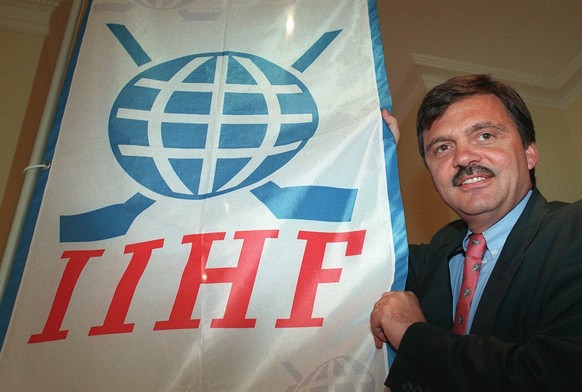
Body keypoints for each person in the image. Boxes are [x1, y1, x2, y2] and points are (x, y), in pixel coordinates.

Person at [370, 74, 582, 391]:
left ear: (529, 153)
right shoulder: (431, 257)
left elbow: (553, 376)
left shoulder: (573, 231)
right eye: (442, 147)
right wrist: (371, 163)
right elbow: (347, 252)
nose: (463, 158)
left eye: (484, 136)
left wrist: (413, 334)